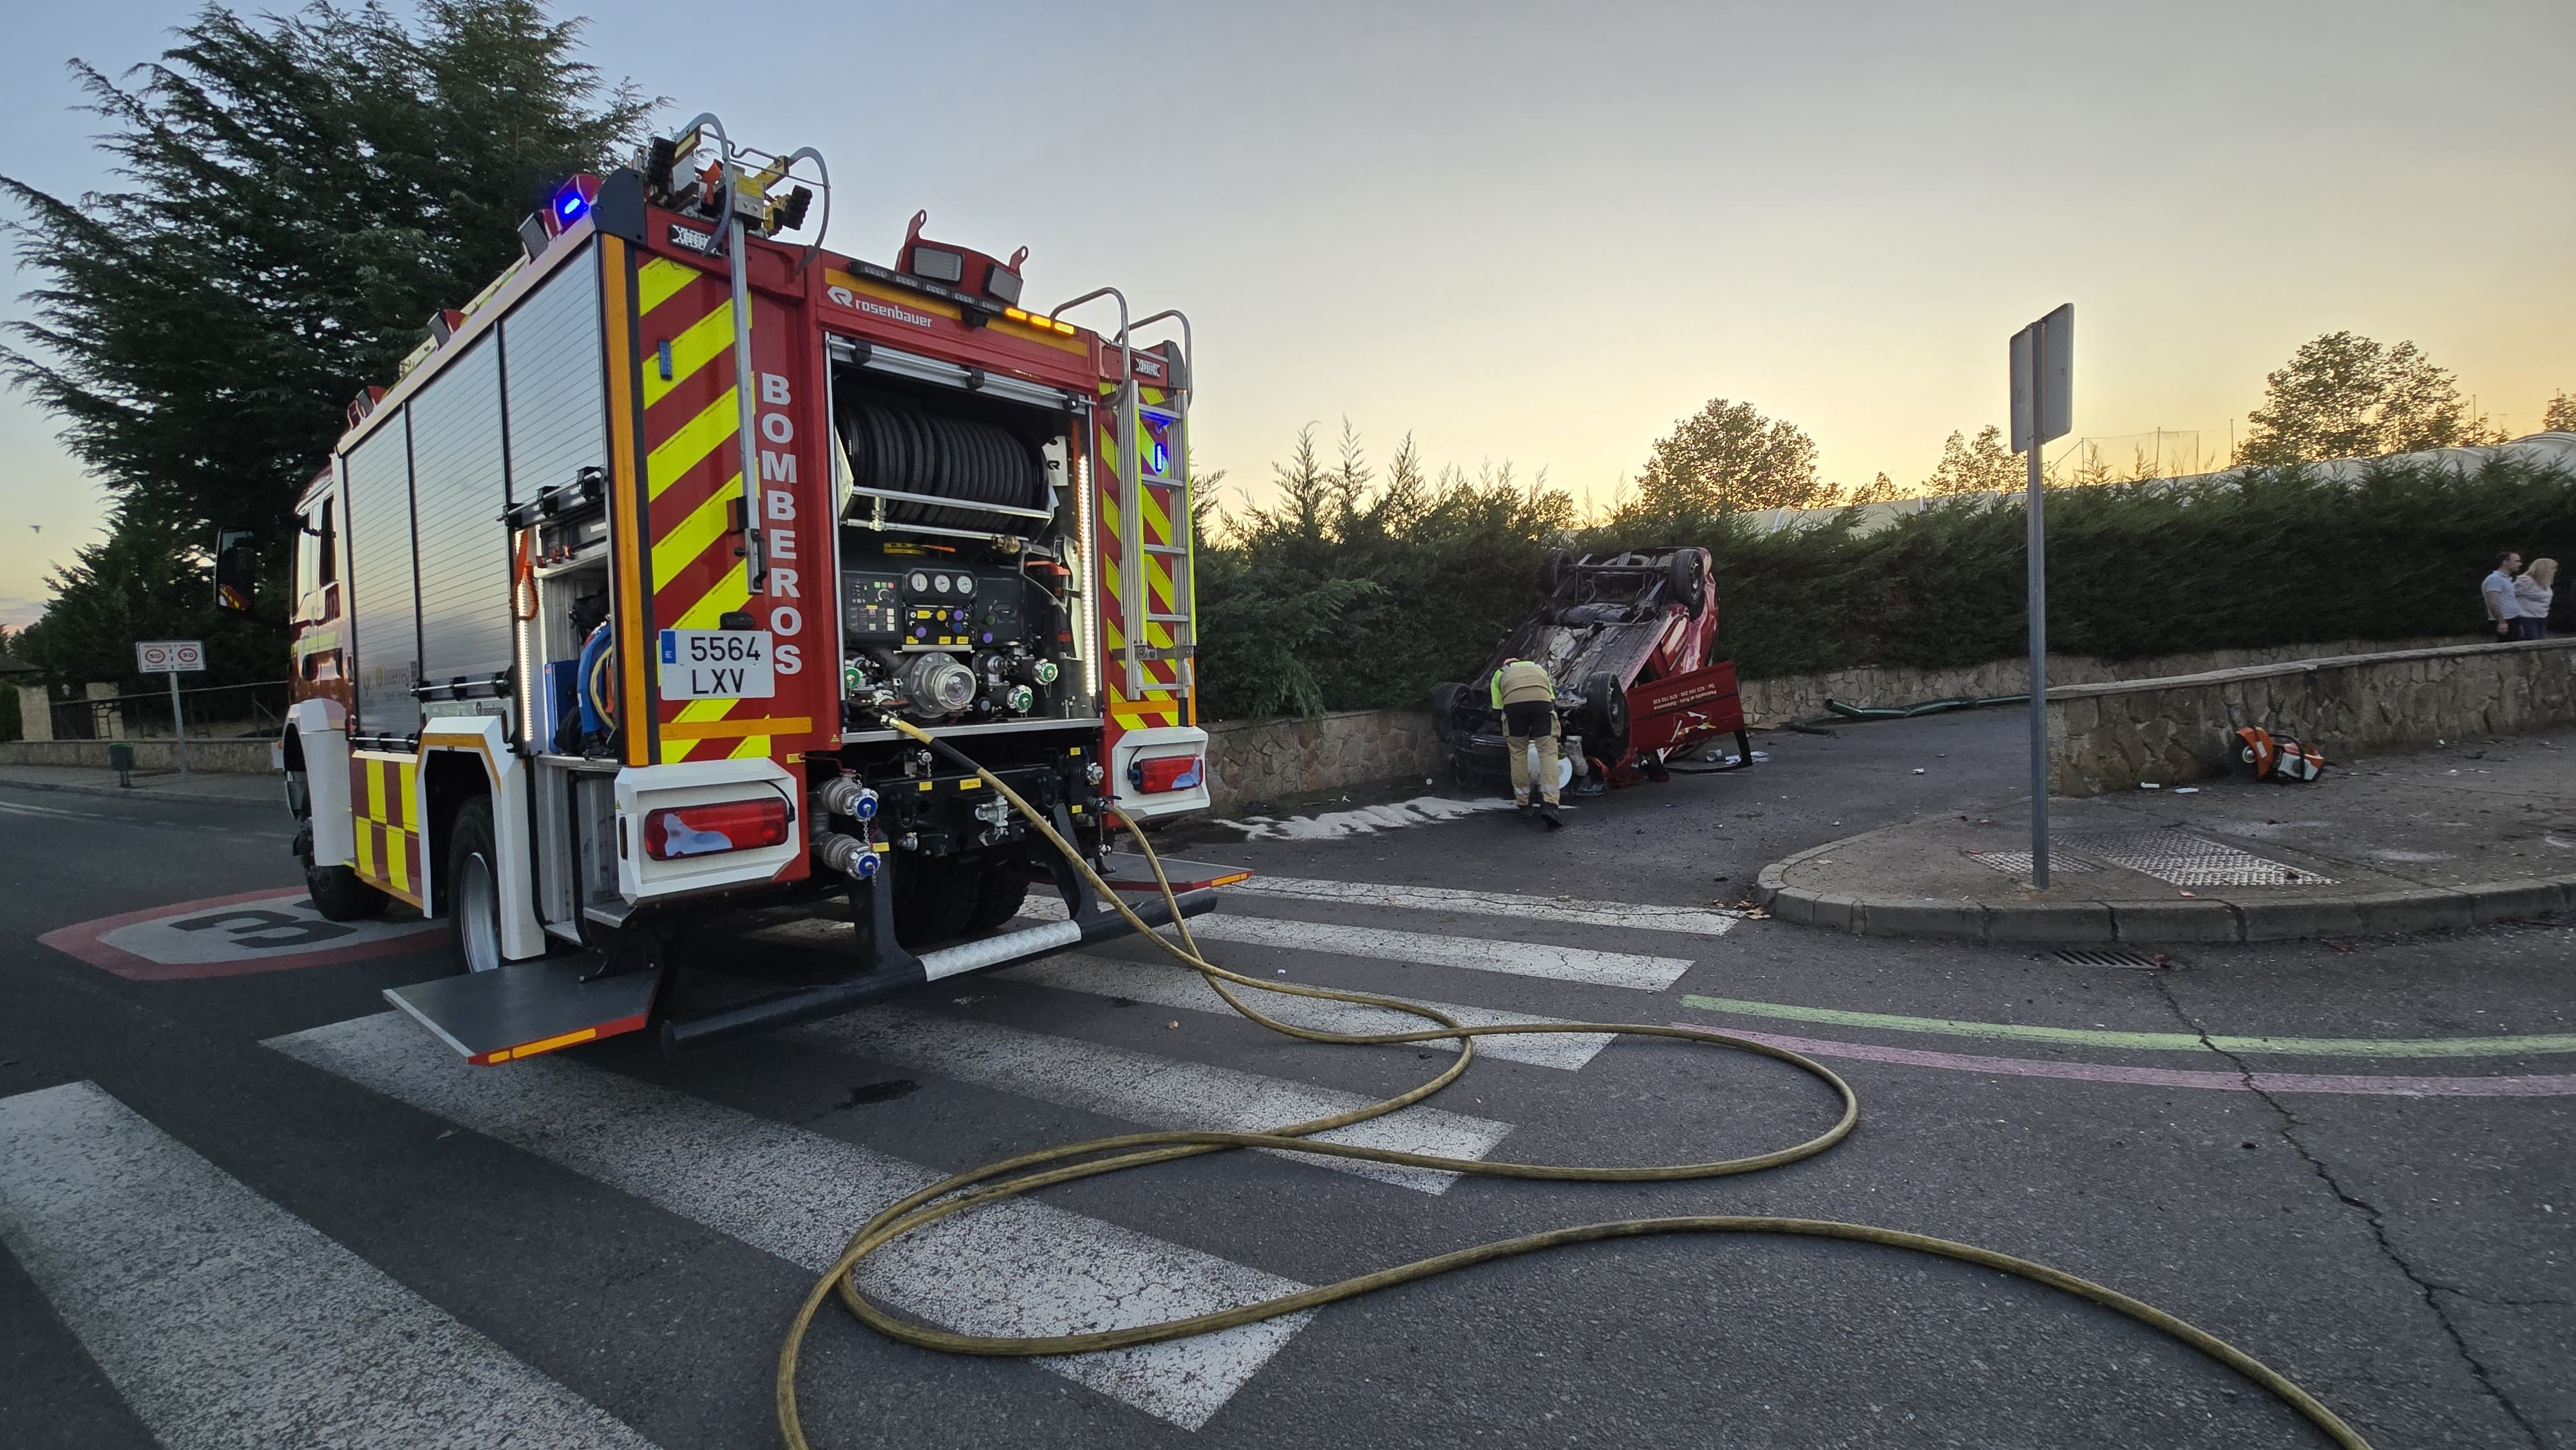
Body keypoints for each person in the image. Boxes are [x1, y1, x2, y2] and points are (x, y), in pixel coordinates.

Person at [1488, 656, 1564, 827]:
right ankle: (1551, 805)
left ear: (1506, 664)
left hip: (1514, 707)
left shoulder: (1500, 673)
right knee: (1548, 753)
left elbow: (1496, 709)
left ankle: (1524, 805)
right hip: (1541, 704)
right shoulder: (1539, 668)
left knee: (1518, 753)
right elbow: (1552, 701)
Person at [2481, 551, 2523, 641]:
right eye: (2517, 561)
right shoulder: (2495, 579)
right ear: (2505, 562)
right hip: (2505, 620)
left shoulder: (2506, 579)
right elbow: (2493, 602)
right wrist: (2501, 622)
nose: (2520, 564)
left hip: (2513, 619)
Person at [2514, 558, 2556, 639]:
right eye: (2552, 568)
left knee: (2540, 641)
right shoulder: (2526, 580)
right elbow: (2511, 595)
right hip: (2526, 617)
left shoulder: (2545, 582)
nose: (2554, 571)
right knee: (2532, 640)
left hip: (2542, 616)